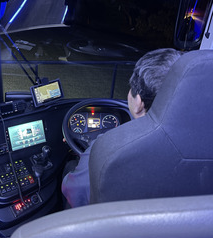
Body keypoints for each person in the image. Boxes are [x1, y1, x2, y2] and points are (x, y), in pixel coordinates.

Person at [62, 48, 183, 208]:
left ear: (139, 103)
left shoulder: (104, 147)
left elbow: (75, 195)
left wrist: (85, 157)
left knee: (67, 169)